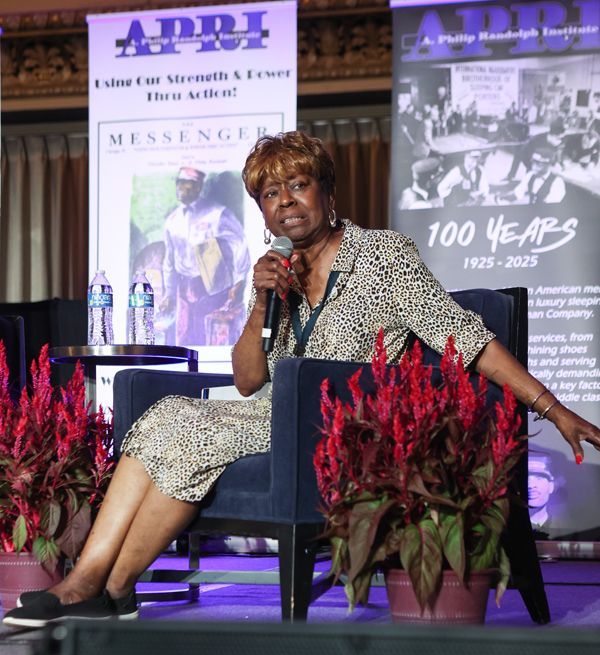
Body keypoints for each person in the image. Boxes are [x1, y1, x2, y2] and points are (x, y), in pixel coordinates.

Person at [4, 130, 600, 629]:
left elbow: (465, 337)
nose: (285, 201)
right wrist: (263, 302)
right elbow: (247, 381)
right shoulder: (275, 272)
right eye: (270, 194)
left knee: (188, 429)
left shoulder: (383, 257)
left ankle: (105, 586)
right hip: (272, 412)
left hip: (343, 423)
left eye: (298, 185)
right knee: (166, 415)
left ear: (327, 192)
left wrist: (553, 408)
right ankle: (96, 582)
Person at [159, 166, 250, 346]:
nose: (181, 188)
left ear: (198, 187)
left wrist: (239, 281)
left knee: (209, 335)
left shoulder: (217, 214)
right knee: (184, 337)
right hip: (184, 288)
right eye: (179, 183)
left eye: (187, 184)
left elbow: (240, 243)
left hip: (212, 287)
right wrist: (169, 292)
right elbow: (169, 259)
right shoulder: (172, 221)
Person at [498, 149, 566, 205]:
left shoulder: (557, 182)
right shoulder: (530, 175)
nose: (534, 166)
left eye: (539, 163)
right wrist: (504, 198)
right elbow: (518, 193)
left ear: (549, 164)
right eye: (533, 161)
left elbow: (552, 206)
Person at [528, 453, 557, 539]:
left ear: (551, 486)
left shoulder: (565, 527)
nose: (531, 485)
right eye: (527, 478)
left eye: (539, 478)